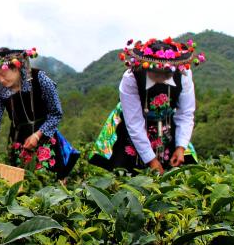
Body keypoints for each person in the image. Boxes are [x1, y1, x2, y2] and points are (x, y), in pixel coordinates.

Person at [88, 37, 206, 173]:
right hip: (132, 125)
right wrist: (152, 161)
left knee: (178, 170)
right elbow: (134, 123)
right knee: (127, 170)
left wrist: (180, 147)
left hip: (166, 123)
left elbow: (185, 113)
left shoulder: (184, 74)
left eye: (167, 73)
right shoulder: (131, 78)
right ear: (146, 67)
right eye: (157, 73)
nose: (162, 77)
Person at [0, 48, 79, 178]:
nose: (1, 81)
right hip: (19, 144)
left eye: (3, 75)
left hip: (46, 141)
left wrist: (38, 135)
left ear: (16, 67)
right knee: (22, 186)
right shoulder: (0, 91)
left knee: (49, 183)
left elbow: (56, 113)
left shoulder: (40, 79)